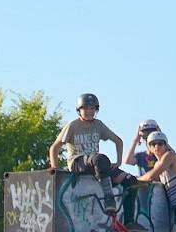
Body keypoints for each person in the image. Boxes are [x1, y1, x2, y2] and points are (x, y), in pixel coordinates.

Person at [48, 93, 146, 231]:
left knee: (130, 180)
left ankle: (129, 221)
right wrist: (55, 168)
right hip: (78, 162)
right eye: (86, 109)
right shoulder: (73, 125)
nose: (89, 112)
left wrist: (118, 162)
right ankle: (109, 198)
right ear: (79, 110)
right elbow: (55, 147)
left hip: (97, 164)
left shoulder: (98, 125)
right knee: (99, 158)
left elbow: (118, 140)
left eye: (92, 109)